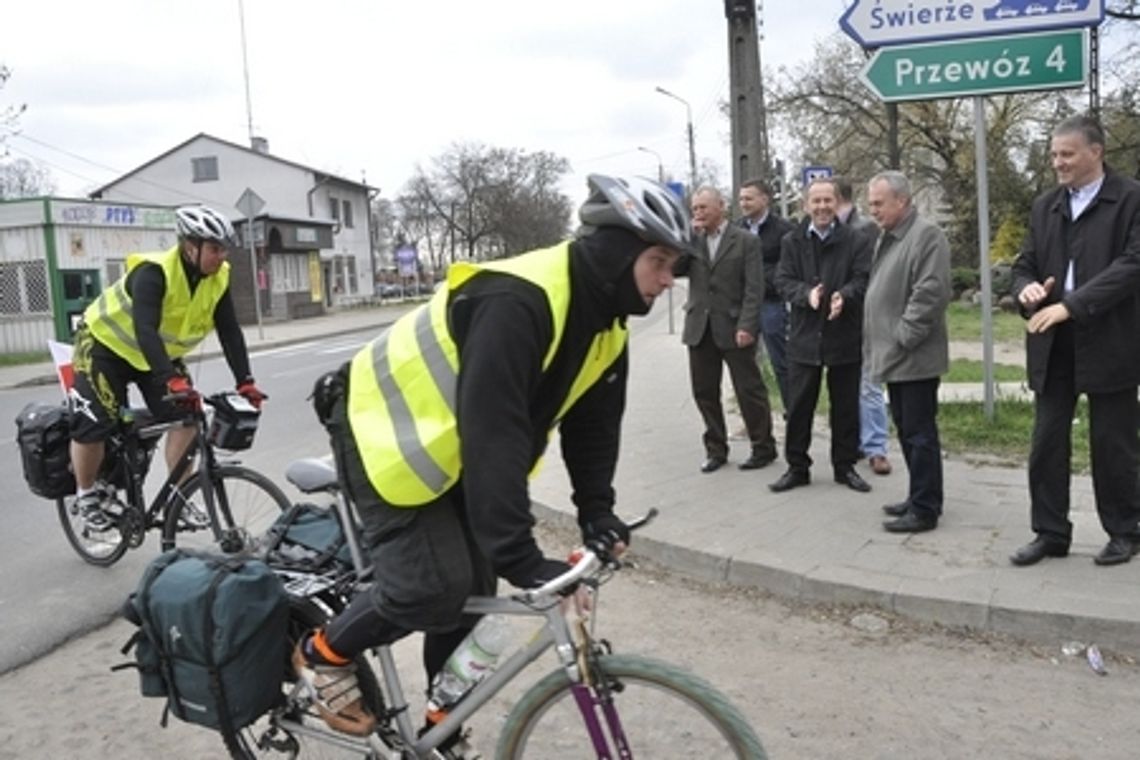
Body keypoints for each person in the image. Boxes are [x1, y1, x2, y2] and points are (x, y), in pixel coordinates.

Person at [292, 174, 691, 748]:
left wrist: (597, 513)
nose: (668, 279)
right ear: (616, 254)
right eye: (658, 261)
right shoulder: (519, 301)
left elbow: (593, 430)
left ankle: (440, 731)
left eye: (672, 264)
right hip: (379, 429)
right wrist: (523, 558)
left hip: (447, 445)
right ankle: (321, 654)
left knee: (472, 598)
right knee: (433, 587)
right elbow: (493, 435)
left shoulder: (607, 324)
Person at [68, 205, 266, 529]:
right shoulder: (154, 272)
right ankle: (86, 493)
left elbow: (229, 330)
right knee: (94, 423)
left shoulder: (219, 277)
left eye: (224, 248)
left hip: (153, 354)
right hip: (105, 347)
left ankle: (179, 498)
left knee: (187, 415)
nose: (222, 256)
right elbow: (145, 329)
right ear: (191, 246)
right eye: (215, 248)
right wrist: (169, 379)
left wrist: (245, 380)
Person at [1008, 115, 1140, 567]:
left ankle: (1124, 531)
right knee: (1046, 441)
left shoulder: (1130, 199)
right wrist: (1024, 288)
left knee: (1114, 442)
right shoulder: (1046, 205)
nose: (1057, 163)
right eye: (1053, 155)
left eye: (1066, 154)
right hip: (1052, 340)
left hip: (1111, 338)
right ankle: (1050, 532)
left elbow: (1132, 266)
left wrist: (1072, 305)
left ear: (1096, 152)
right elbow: (1024, 262)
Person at [769, 178, 872, 494]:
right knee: (799, 406)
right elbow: (782, 280)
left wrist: (845, 295)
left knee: (845, 407)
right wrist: (805, 295)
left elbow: (864, 278)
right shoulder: (792, 241)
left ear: (837, 203)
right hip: (804, 335)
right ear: (806, 205)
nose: (823, 207)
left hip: (843, 333)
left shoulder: (855, 239)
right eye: (816, 201)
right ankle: (797, 467)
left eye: (828, 200)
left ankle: (845, 467)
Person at [864, 171, 951, 533]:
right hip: (895, 356)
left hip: (913, 355)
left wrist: (903, 336)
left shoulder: (925, 235)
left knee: (919, 433)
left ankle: (925, 509)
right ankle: (920, 496)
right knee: (907, 430)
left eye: (878, 204)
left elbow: (930, 292)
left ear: (901, 200)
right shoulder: (890, 237)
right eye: (870, 204)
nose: (872, 211)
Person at [678, 185, 778, 473]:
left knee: (749, 390)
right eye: (695, 208)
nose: (698, 213)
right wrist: (687, 240)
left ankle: (763, 447)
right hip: (700, 327)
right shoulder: (693, 241)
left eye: (703, 208)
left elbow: (754, 288)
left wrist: (747, 325)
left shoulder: (745, 241)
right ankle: (715, 449)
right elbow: (675, 269)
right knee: (704, 391)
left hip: (734, 326)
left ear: (721, 207)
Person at [836, 176, 892, 477]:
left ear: (838, 199)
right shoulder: (822, 230)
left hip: (864, 315)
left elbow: (871, 273)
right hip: (838, 319)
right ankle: (853, 443)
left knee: (869, 384)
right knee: (847, 386)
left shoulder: (864, 230)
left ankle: (876, 448)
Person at [738, 178, 795, 409]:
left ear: (764, 199)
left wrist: (760, 277)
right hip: (743, 305)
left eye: (749, 198)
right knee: (745, 364)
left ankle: (792, 411)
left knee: (780, 361)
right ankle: (754, 415)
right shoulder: (737, 230)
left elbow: (788, 267)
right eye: (741, 199)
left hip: (772, 303)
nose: (743, 203)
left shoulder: (784, 230)